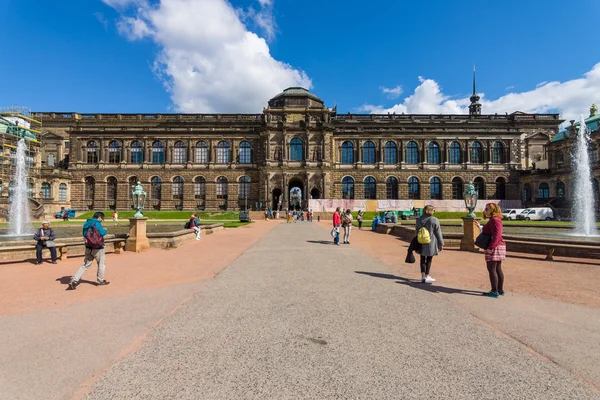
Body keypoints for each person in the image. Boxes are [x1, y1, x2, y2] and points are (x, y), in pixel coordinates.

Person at [68, 212, 109, 290]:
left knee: (85, 265)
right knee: (101, 264)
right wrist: (105, 230)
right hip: (98, 247)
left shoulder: (86, 223)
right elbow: (102, 233)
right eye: (102, 218)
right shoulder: (97, 223)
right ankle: (100, 280)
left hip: (88, 247)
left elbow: (84, 234)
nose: (102, 220)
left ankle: (74, 280)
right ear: (99, 217)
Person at [475, 203, 506, 298]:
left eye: (487, 209)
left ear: (492, 210)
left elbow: (497, 235)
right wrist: (480, 226)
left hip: (495, 246)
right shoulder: (494, 220)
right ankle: (499, 290)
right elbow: (491, 231)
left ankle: (494, 291)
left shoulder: (495, 220)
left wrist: (491, 247)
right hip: (497, 245)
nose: (485, 210)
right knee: (497, 269)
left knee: (492, 269)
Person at [415, 205, 444, 283]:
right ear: (431, 211)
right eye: (434, 210)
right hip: (431, 242)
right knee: (429, 259)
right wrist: (441, 243)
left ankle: (423, 276)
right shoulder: (434, 220)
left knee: (422, 259)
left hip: (421, 241)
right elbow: (438, 233)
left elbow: (416, 231)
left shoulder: (419, 219)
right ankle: (427, 275)